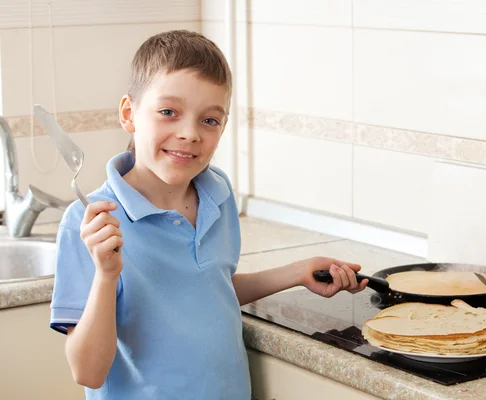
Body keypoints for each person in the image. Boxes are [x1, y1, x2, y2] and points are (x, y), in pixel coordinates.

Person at [49, 29, 369, 400]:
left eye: (209, 120)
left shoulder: (217, 193)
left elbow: (210, 289)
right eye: (168, 112)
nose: (189, 134)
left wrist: (298, 272)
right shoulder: (87, 223)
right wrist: (106, 276)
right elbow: (88, 371)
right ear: (129, 114)